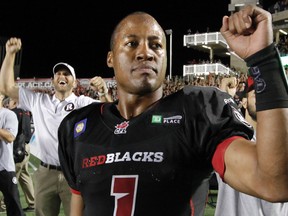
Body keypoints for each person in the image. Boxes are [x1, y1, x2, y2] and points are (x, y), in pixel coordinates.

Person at [57, 5, 288, 215]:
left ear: (165, 59)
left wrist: (263, 58)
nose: (145, 52)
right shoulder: (78, 127)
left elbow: (274, 182)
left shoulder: (195, 111)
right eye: (132, 43)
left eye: (156, 45)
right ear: (110, 58)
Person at [0, 39, 113, 216]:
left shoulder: (82, 103)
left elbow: (112, 114)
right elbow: (6, 87)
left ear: (75, 83)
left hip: (74, 174)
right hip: (45, 172)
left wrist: (104, 93)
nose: (62, 76)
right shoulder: (38, 101)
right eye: (58, 73)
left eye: (67, 74)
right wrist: (10, 53)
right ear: (52, 80)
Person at [215, 76, 288, 216]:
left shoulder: (284, 144)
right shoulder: (228, 137)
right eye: (256, 93)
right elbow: (216, 120)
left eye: (268, 94)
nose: (263, 98)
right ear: (245, 102)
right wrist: (223, 95)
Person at [7, 97, 35, 212]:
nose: (7, 105)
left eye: (8, 102)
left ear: (14, 102)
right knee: (24, 175)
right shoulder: (27, 112)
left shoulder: (13, 113)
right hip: (26, 148)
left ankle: (5, 203)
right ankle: (32, 203)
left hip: (17, 148)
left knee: (11, 178)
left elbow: (11, 133)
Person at [0, 93, 25, 216]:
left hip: (4, 167)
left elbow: (10, 137)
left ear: (1, 97)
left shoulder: (8, 114)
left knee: (14, 207)